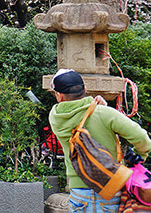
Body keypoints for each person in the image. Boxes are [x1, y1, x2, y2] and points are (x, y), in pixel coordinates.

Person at [49, 69, 151, 212]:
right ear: (84, 89)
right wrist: (135, 158)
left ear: (59, 96)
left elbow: (76, 110)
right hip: (111, 188)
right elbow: (143, 139)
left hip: (79, 191)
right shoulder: (104, 113)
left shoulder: (55, 118)